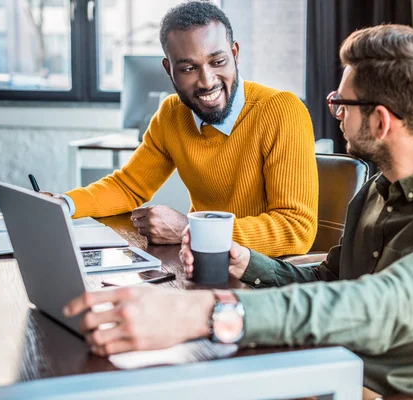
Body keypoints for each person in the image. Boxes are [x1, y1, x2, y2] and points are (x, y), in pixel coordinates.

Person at [64, 24, 413, 399]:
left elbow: (385, 305)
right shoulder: (377, 191)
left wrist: (209, 312)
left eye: (341, 104)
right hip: (327, 366)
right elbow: (329, 285)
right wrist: (249, 263)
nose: (335, 114)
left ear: (380, 120)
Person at [54, 1, 318, 257]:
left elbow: (295, 228)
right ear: (169, 70)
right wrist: (63, 204)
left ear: (235, 55)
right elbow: (129, 187)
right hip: (201, 264)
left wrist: (189, 231)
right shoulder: (172, 114)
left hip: (263, 274)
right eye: (189, 68)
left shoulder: (281, 110)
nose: (207, 81)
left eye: (218, 62)